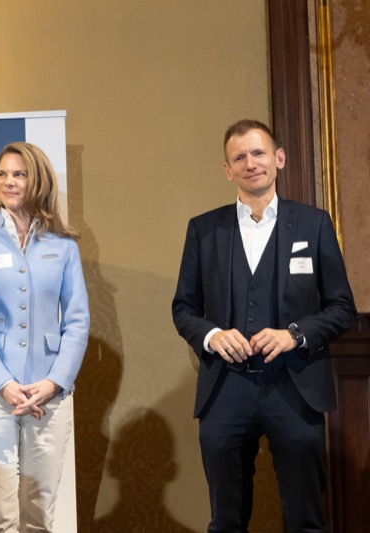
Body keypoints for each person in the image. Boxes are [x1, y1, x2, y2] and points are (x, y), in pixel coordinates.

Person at [171, 119, 356, 532]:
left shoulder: (314, 224)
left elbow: (342, 307)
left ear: (279, 158)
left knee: (306, 520)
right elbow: (183, 308)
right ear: (228, 170)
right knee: (226, 522)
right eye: (239, 157)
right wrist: (213, 335)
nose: (250, 163)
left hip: (295, 387)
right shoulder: (204, 229)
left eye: (258, 153)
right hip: (225, 390)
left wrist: (294, 335)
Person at [0, 142, 90, 533]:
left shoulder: (63, 245)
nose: (8, 182)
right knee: (1, 515)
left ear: (38, 180)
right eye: (2, 174)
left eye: (19, 174)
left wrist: (54, 382)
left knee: (39, 516)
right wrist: (4, 384)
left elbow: (77, 321)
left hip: (49, 396)